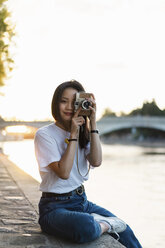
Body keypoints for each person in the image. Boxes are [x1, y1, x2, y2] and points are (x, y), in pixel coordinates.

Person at [34, 80, 142, 247]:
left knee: (126, 230)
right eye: (64, 101)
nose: (69, 107)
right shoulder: (44, 134)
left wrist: (93, 123)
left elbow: (96, 161)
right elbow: (64, 172)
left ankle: (98, 221)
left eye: (74, 102)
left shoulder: (84, 133)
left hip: (81, 201)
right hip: (54, 208)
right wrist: (73, 134)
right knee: (86, 227)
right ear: (55, 104)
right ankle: (104, 224)